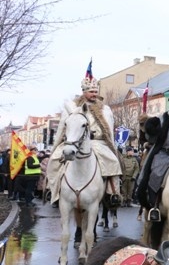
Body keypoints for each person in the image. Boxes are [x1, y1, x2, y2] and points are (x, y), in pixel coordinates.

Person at [48, 73, 123, 206]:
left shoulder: (105, 109)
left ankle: (112, 193)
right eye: (91, 91)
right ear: (83, 92)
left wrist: (108, 143)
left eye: (96, 91)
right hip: (74, 141)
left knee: (112, 161)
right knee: (54, 159)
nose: (94, 94)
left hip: (97, 142)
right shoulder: (72, 107)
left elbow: (109, 130)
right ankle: (53, 189)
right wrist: (58, 144)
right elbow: (62, 128)